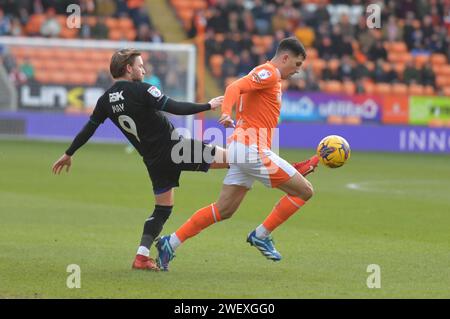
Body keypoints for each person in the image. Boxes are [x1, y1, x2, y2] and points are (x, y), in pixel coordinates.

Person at [52, 48, 228, 271]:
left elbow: (89, 128)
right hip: (176, 149)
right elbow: (173, 106)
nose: (143, 69)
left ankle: (141, 256)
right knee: (237, 157)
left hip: (154, 160)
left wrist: (69, 153)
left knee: (162, 209)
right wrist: (208, 105)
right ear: (128, 68)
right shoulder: (142, 90)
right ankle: (283, 174)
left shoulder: (105, 100)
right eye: (140, 65)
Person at [156, 37, 319, 271]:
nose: (297, 71)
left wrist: (298, 167)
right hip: (250, 150)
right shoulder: (269, 73)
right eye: (297, 64)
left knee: (224, 209)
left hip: (245, 150)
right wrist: (225, 112)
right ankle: (262, 234)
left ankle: (170, 243)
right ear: (285, 57)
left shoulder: (266, 75)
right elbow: (234, 87)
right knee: (305, 191)